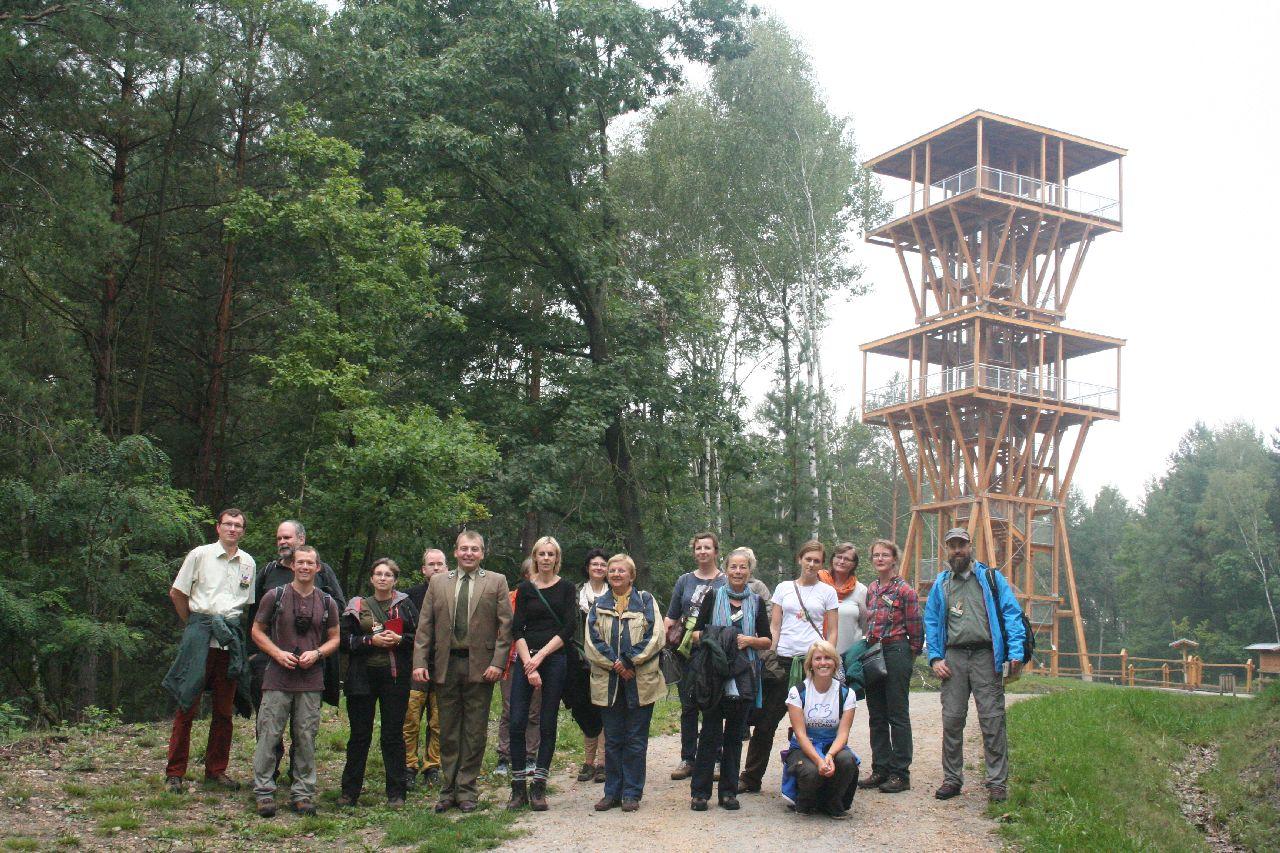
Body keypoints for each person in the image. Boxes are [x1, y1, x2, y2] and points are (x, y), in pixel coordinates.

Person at [412, 531, 512, 814]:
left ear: (482, 553)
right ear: (455, 552)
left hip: (481, 667)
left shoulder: (496, 582)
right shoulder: (438, 582)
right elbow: (424, 627)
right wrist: (420, 662)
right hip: (446, 665)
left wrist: (498, 662)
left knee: (474, 731)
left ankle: (467, 789)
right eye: (464, 548)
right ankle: (448, 789)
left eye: (475, 549)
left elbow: (506, 628)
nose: (469, 553)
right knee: (448, 731)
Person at [924, 527, 1026, 804]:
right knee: (953, 720)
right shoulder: (942, 584)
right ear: (947, 550)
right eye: (952, 545)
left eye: (962, 545)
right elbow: (931, 622)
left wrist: (1015, 651)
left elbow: (1011, 613)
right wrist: (935, 658)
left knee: (992, 720)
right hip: (953, 657)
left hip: (986, 656)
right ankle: (952, 779)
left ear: (971, 547)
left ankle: (996, 783)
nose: (957, 550)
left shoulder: (991, 579)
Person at [162, 508, 256, 794]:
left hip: (229, 640)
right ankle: (175, 772)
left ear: (242, 530)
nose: (232, 529)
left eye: (238, 525)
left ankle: (216, 770)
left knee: (224, 711)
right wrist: (193, 625)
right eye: (227, 524)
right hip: (200, 635)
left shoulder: (248, 563)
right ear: (218, 528)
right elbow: (177, 593)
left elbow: (245, 603)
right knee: (186, 705)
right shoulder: (200, 555)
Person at [247, 519, 346, 783]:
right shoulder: (269, 574)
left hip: (312, 665)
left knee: (305, 730)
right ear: (293, 566)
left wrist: (319, 651)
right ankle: (267, 779)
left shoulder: (323, 578)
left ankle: (300, 781)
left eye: (288, 538)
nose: (282, 542)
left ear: (302, 541)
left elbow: (338, 614)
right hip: (271, 664)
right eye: (279, 538)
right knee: (268, 727)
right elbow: (253, 618)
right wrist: (256, 654)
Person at [740, 540, 838, 794]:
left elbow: (833, 630)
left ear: (821, 564)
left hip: (811, 665)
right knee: (765, 723)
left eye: (817, 561)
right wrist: (769, 654)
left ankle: (815, 777)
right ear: (800, 559)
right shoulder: (784, 588)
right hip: (782, 663)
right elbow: (775, 625)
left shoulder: (827, 592)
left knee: (813, 723)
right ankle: (751, 778)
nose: (812, 564)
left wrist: (826, 659)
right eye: (808, 559)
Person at [688, 547, 771, 811]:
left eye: (743, 567)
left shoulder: (756, 602)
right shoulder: (713, 596)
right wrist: (719, 638)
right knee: (710, 734)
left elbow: (767, 640)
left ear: (750, 571)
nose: (738, 571)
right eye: (733, 567)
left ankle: (728, 792)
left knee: (735, 736)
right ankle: (700, 793)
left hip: (744, 675)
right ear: (726, 570)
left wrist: (749, 640)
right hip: (714, 676)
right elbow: (695, 634)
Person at [586, 553, 664, 813]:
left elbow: (656, 636)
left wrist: (630, 661)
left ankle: (631, 793)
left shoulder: (646, 601)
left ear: (632, 575)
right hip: (608, 684)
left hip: (640, 682)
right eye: (612, 570)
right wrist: (616, 664)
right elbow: (592, 641)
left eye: (622, 571)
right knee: (613, 740)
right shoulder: (598, 605)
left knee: (636, 740)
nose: (616, 574)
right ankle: (612, 793)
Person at [339, 557, 418, 808]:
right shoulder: (357, 605)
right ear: (371, 578)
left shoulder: (405, 605)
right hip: (361, 679)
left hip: (395, 678)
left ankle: (396, 793)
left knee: (393, 735)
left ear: (395, 580)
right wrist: (370, 641)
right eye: (378, 574)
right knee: (359, 735)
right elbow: (343, 641)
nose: (383, 578)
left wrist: (399, 639)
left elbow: (419, 639)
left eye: (388, 574)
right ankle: (349, 792)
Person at [506, 537, 578, 811]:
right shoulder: (525, 589)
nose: (546, 558)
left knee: (547, 722)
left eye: (551, 554)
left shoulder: (567, 588)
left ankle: (539, 786)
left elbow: (568, 627)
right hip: (527, 657)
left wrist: (541, 657)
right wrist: (528, 663)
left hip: (554, 657)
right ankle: (517, 788)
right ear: (535, 557)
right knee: (517, 721)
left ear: (557, 558)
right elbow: (517, 628)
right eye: (541, 554)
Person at [859, 538, 923, 795]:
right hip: (874, 651)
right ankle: (880, 768)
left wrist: (909, 655)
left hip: (897, 649)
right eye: (876, 555)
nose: (880, 559)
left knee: (897, 713)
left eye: (885, 555)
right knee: (877, 713)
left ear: (894, 559)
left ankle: (900, 773)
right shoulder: (872, 589)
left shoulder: (906, 591)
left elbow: (915, 628)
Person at [664, 531, 727, 780]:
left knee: (714, 706)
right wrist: (663, 640)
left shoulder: (724, 582)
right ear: (694, 552)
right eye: (698, 548)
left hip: (712, 650)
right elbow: (671, 615)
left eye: (707, 548)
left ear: (716, 551)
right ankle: (688, 758)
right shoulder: (684, 581)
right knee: (688, 706)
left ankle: (716, 759)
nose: (703, 552)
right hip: (686, 653)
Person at [782, 640, 858, 819]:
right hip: (804, 746)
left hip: (833, 744)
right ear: (810, 664)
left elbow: (843, 733)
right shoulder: (798, 691)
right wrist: (819, 760)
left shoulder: (847, 693)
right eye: (818, 659)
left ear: (835, 663)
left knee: (847, 760)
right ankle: (805, 801)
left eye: (828, 658)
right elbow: (800, 734)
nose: (823, 663)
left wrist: (830, 756)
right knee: (811, 770)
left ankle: (833, 803)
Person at [403, 547, 446, 789]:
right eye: (431, 564)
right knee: (410, 718)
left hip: (443, 666)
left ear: (447, 567)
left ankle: (433, 766)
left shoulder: (453, 593)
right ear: (423, 569)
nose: (436, 568)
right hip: (415, 666)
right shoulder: (408, 598)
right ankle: (408, 764)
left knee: (438, 721)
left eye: (440, 563)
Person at [566, 548, 609, 783]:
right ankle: (588, 760)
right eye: (595, 564)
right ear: (587, 567)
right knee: (583, 709)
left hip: (605, 660)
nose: (599, 568)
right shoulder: (575, 594)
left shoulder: (614, 594)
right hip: (579, 661)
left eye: (603, 565)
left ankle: (601, 762)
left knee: (604, 709)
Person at [497, 558, 542, 777]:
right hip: (512, 661)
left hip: (537, 661)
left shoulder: (546, 598)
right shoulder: (509, 599)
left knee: (534, 711)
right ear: (525, 576)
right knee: (509, 710)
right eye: (532, 573)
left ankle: (530, 755)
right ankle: (504, 756)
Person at [820, 543, 869, 656]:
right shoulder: (819, 584)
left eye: (846, 559)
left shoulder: (861, 590)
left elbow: (865, 626)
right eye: (838, 557)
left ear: (854, 564)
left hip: (850, 656)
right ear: (832, 559)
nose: (841, 561)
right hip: (820, 655)